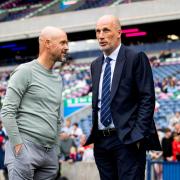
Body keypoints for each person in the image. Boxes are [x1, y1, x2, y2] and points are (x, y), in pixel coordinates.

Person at [84, 15, 161, 180]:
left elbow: (147, 99)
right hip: (102, 143)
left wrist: (137, 137)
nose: (100, 35)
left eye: (106, 30)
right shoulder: (95, 65)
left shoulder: (135, 57)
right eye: (97, 31)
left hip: (127, 140)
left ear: (119, 33)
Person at [1, 26, 69, 180]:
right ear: (47, 43)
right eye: (63, 43)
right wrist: (18, 146)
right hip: (25, 149)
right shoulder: (25, 71)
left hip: (49, 155)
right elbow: (7, 112)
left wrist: (56, 149)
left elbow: (58, 117)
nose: (67, 47)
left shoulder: (58, 79)